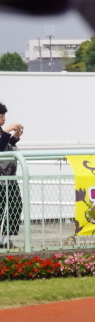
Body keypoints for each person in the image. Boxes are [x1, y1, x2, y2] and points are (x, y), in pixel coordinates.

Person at [0, 102, 24, 250]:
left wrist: (14, 137)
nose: (3, 119)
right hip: (0, 180)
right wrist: (7, 130)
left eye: (4, 116)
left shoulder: (2, 132)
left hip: (10, 178)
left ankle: (5, 239)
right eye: (1, 116)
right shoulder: (3, 131)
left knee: (15, 206)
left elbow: (5, 145)